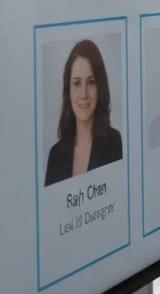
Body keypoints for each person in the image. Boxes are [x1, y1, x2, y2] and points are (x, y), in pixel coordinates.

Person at [44, 39, 123, 186]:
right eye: (77, 83)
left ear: (100, 87)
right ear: (68, 89)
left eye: (91, 82)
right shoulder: (55, 155)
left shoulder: (114, 142)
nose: (84, 94)